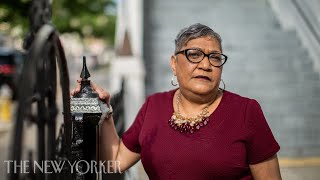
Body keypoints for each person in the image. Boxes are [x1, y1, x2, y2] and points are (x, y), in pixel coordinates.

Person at [71, 23, 281, 179]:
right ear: (174, 63)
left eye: (215, 57)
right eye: (194, 55)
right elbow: (116, 161)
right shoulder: (154, 105)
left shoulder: (245, 111)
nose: (206, 65)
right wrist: (105, 111)